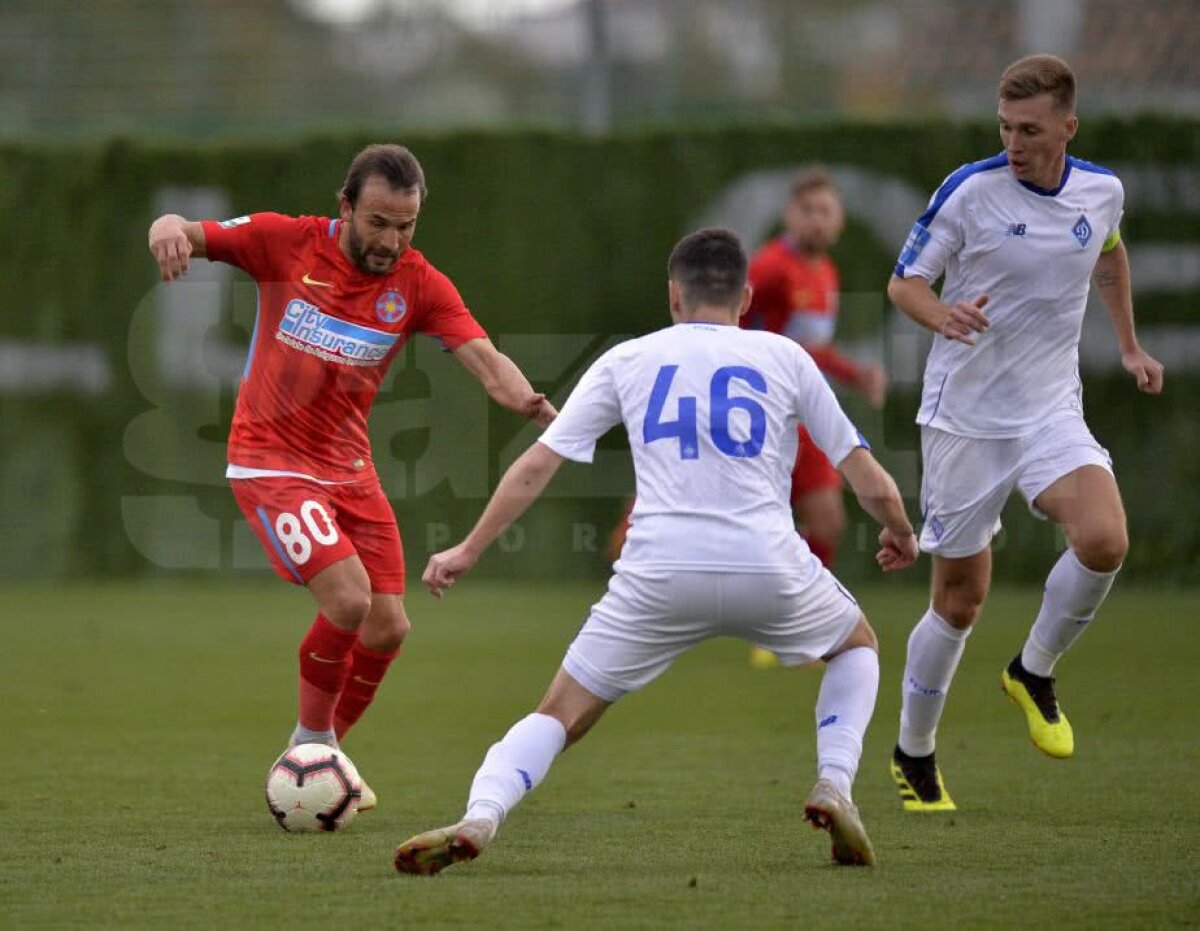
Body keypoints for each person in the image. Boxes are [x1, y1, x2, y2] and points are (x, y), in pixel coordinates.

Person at [393, 228, 918, 875]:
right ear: (747, 296)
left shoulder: (630, 359)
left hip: (657, 574)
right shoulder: (785, 357)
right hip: (769, 566)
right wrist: (900, 528)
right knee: (856, 643)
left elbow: (536, 463)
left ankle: (482, 814)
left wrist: (469, 547)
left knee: (558, 713)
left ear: (673, 295)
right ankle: (834, 782)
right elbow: (864, 472)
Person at [147, 144, 556, 811]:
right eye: (378, 222)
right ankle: (310, 745)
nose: (391, 240)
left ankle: (323, 750)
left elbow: (485, 357)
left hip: (349, 468)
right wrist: (166, 226)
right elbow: (188, 231)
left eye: (405, 225)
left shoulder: (420, 283)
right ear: (346, 206)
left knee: (389, 626)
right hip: (270, 458)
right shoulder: (287, 243)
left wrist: (527, 399)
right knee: (348, 600)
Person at [885, 55, 1164, 812]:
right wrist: (940, 313)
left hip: (1048, 410)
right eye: (1006, 127)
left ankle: (1033, 670)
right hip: (965, 419)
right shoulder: (971, 191)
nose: (1014, 141)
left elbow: (1107, 251)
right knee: (960, 600)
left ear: (1067, 127)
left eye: (1031, 129)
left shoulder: (1101, 191)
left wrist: (1129, 344)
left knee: (1105, 539)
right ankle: (914, 752)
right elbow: (903, 281)